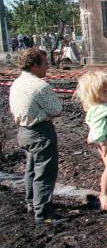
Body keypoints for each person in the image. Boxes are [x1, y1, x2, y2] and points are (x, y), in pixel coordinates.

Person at [9, 48, 66, 224]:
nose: (48, 66)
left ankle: (31, 202)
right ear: (34, 65)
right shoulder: (40, 86)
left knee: (31, 169)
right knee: (45, 172)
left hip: (24, 132)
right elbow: (57, 110)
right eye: (45, 63)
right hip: (40, 132)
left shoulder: (17, 82)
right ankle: (44, 212)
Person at [75, 71, 107, 210]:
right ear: (94, 94)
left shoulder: (104, 105)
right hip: (106, 143)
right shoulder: (100, 109)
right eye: (104, 90)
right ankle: (104, 194)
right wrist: (103, 143)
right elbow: (97, 128)